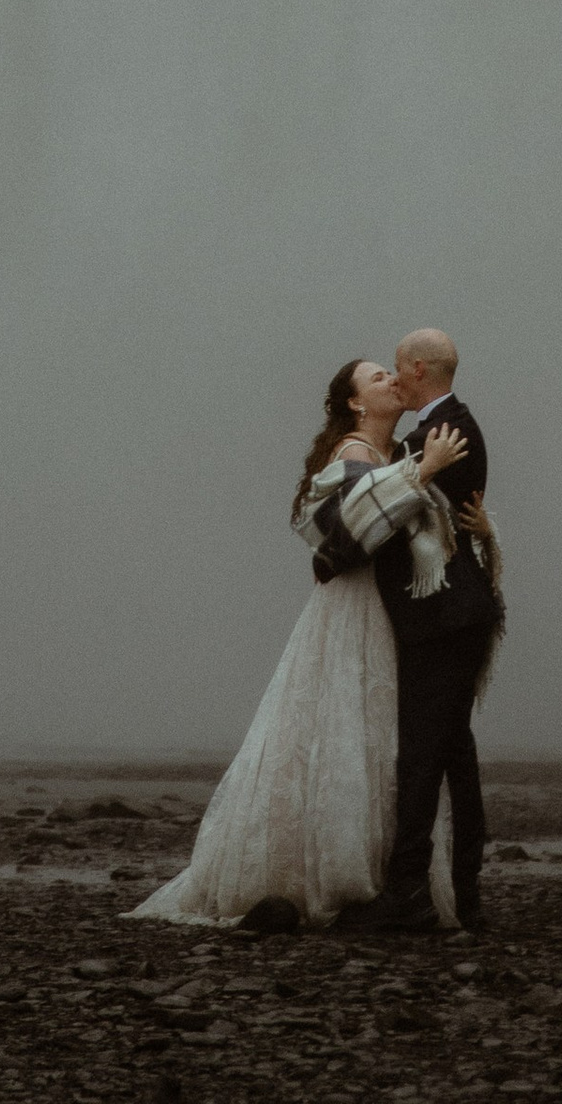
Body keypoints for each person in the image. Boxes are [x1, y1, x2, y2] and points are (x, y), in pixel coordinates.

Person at [128, 350, 492, 930]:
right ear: (355, 402)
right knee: (344, 727)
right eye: (378, 377)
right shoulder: (355, 452)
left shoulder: (398, 453)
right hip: (355, 608)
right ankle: (346, 875)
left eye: (392, 372)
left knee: (383, 738)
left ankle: (395, 877)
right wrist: (420, 474)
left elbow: (428, 519)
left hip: (389, 609)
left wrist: (472, 518)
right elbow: (349, 534)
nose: (391, 380)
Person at [342, 327, 502, 932]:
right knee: (453, 753)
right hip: (457, 617)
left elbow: (385, 517)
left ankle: (409, 889)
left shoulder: (440, 435)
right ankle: (463, 894)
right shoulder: (450, 427)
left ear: (416, 370)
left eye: (396, 367)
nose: (392, 378)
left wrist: (335, 549)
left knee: (422, 756)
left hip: (442, 620)